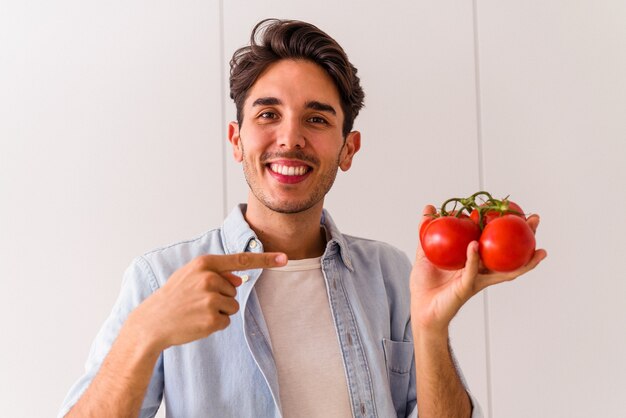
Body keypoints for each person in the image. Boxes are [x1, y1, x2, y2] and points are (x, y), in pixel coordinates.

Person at [58, 18, 546, 418]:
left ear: (348, 148)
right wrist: (144, 334)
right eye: (268, 115)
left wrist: (431, 329)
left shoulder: (393, 275)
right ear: (236, 140)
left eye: (316, 119)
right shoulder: (160, 279)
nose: (290, 138)